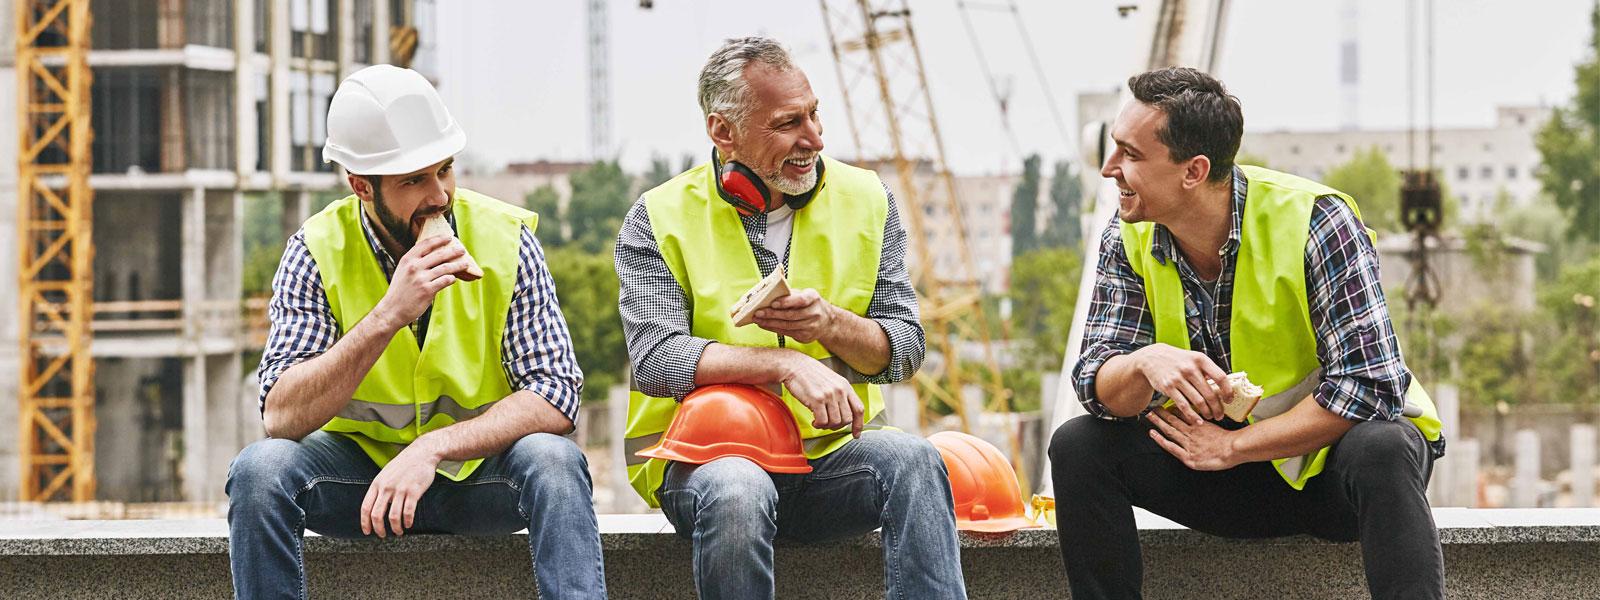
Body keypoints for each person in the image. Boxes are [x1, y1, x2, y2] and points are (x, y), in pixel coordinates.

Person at [1048, 66, 1447, 600]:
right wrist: (1145, 361)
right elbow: (1096, 382)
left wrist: (1234, 447)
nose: (1108, 168)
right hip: (1222, 476)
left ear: (1194, 171)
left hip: (1332, 477)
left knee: (1384, 446)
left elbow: (1369, 388)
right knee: (1078, 445)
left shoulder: (1316, 221)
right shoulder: (1126, 240)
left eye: (1131, 155)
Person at [225, 64, 606, 599]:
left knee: (554, 460)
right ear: (361, 185)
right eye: (413, 180)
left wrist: (432, 449)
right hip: (362, 485)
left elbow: (558, 393)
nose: (440, 196)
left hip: (479, 478)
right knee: (259, 471)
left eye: (444, 170)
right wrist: (388, 314)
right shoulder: (314, 250)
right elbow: (281, 416)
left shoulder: (506, 238)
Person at [614, 37, 967, 600]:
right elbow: (656, 360)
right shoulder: (658, 217)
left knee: (916, 460)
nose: (815, 140)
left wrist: (830, 324)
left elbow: (904, 349)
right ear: (722, 131)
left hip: (829, 459)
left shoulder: (868, 198)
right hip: (707, 463)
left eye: (814, 114)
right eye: (787, 124)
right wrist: (781, 363)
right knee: (738, 489)